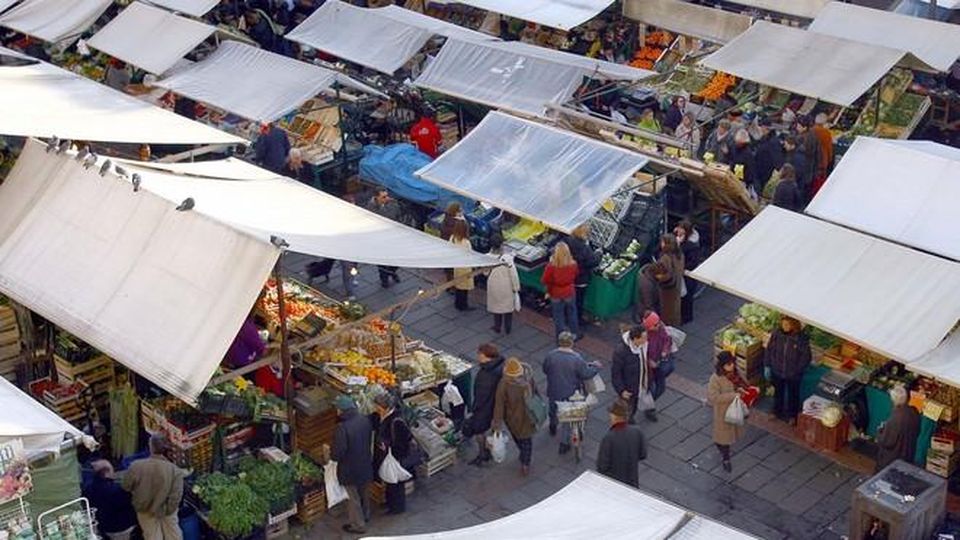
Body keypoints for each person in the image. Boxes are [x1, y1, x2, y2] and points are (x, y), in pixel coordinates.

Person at [542, 331, 600, 451]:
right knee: (568, 418)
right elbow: (585, 374)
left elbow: (545, 369)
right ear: (571, 343)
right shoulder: (576, 359)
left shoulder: (551, 355)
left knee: (553, 409)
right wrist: (596, 367)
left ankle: (553, 425)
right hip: (570, 393)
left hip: (554, 389)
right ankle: (564, 444)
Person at [121, 435, 185, 540]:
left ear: (150, 447)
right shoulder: (174, 470)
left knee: (152, 536)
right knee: (173, 534)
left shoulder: (136, 466)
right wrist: (169, 510)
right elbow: (176, 495)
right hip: (167, 509)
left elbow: (126, 486)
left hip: (144, 508)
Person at [331, 395, 373, 534]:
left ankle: (358, 525)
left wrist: (332, 456)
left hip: (349, 469)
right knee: (364, 493)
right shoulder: (364, 420)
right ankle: (366, 515)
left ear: (342, 410)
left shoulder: (342, 428)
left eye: (337, 408)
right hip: (365, 463)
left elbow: (338, 453)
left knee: (353, 498)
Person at [492, 358, 538, 475]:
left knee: (519, 439)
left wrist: (497, 425)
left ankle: (524, 458)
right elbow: (536, 395)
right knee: (527, 441)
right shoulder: (528, 380)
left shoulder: (503, 384)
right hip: (529, 416)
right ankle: (525, 462)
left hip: (513, 419)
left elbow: (499, 405)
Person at [372, 393, 414, 515]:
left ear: (384, 407)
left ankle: (397, 508)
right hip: (386, 456)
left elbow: (404, 440)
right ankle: (390, 502)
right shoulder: (382, 416)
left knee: (396, 483)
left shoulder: (397, 421)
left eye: (377, 407)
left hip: (396, 457)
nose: (376, 409)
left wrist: (391, 449)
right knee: (390, 481)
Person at [764, 315, 811, 424]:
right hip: (777, 370)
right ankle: (776, 411)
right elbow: (769, 349)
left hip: (793, 374)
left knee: (793, 395)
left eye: (787, 324)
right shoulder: (776, 334)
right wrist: (768, 365)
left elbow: (806, 357)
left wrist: (797, 370)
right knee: (778, 393)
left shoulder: (800, 339)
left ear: (793, 325)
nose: (784, 326)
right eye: (783, 324)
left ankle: (792, 416)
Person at [708, 352, 750, 473]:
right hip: (723, 413)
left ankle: (724, 449)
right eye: (728, 364)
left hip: (737, 409)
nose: (731, 366)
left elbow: (744, 383)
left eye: (732, 363)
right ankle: (726, 458)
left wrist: (746, 389)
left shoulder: (736, 372)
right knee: (723, 438)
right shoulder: (715, 379)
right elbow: (713, 398)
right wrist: (734, 395)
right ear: (722, 366)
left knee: (731, 434)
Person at [466, 344, 505, 466]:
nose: (478, 356)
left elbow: (481, 395)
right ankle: (487, 449)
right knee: (492, 428)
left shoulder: (486, 374)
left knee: (479, 430)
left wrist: (474, 408)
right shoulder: (500, 365)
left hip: (484, 408)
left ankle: (483, 453)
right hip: (496, 406)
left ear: (487, 357)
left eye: (480, 354)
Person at [596, 398, 647, 487]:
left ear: (614, 416)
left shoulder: (608, 438)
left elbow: (602, 467)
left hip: (615, 485)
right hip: (633, 482)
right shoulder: (637, 431)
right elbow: (643, 454)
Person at [86, 460, 137, 540]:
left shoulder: (88, 489)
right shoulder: (118, 490)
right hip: (122, 528)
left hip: (103, 528)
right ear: (107, 472)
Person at [612, 326, 653, 423]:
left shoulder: (644, 344)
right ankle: (625, 422)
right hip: (630, 388)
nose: (646, 339)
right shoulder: (621, 352)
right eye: (644, 337)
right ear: (635, 339)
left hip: (643, 383)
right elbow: (616, 373)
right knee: (628, 407)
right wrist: (621, 390)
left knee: (635, 405)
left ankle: (629, 419)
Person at [875, 385, 921, 472]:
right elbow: (918, 430)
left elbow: (887, 441)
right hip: (909, 452)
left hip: (894, 458)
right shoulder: (914, 412)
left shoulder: (895, 418)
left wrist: (880, 430)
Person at [541, 242, 579, 339]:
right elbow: (576, 274)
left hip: (556, 293)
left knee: (558, 316)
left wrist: (548, 291)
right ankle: (574, 334)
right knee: (572, 313)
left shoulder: (551, 267)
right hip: (569, 292)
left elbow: (544, 280)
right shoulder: (573, 264)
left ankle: (561, 337)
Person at [566, 224, 599, 331]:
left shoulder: (568, 241)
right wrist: (599, 254)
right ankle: (577, 321)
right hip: (581, 278)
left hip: (570, 276)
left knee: (571, 299)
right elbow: (592, 261)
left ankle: (569, 317)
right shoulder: (584, 248)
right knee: (578, 301)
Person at [365, 189, 401, 287]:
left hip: (392, 236)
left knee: (396, 260)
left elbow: (397, 216)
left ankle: (392, 273)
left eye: (387, 196)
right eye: (383, 197)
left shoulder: (392, 203)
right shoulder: (371, 208)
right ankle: (384, 280)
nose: (387, 198)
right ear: (376, 197)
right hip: (379, 239)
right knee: (382, 262)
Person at [486, 235, 520, 334]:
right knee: (508, 309)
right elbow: (513, 274)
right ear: (501, 245)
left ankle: (497, 327)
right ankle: (508, 329)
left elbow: (485, 272)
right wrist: (516, 287)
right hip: (506, 286)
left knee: (496, 307)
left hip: (493, 284)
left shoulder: (486, 257)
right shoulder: (508, 258)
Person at [641, 312, 674, 405]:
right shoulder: (642, 335)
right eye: (655, 325)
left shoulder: (660, 328)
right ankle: (647, 405)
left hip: (658, 362)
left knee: (660, 388)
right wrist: (648, 361)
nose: (658, 325)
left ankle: (648, 404)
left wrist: (665, 350)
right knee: (651, 388)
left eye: (658, 322)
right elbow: (639, 352)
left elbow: (667, 339)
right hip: (647, 368)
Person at [652, 234, 684, 327]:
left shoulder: (665, 258)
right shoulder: (680, 254)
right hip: (677, 284)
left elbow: (665, 275)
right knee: (675, 309)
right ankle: (675, 326)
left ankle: (668, 330)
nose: (661, 244)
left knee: (667, 311)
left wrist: (657, 275)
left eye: (663, 242)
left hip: (668, 290)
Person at [675, 220, 700, 324]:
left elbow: (693, 262)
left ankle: (686, 317)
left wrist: (681, 268)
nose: (678, 230)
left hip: (688, 275)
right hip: (682, 274)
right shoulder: (679, 240)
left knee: (687, 297)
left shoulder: (691, 246)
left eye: (681, 228)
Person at [449, 220, 475, 311]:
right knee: (465, 288)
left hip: (457, 266)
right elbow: (470, 254)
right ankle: (464, 305)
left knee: (459, 286)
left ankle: (458, 303)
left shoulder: (453, 238)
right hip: (465, 267)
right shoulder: (466, 242)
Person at [753, 118, 784, 191]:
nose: (760, 129)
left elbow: (777, 159)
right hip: (759, 168)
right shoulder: (765, 138)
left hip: (764, 171)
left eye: (761, 127)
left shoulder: (773, 142)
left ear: (765, 128)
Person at [796, 115, 821, 198]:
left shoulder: (803, 139)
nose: (797, 128)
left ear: (805, 127)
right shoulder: (813, 136)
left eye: (799, 126)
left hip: (803, 170)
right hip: (810, 170)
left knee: (801, 190)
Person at [782, 135, 810, 200]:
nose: (784, 146)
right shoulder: (793, 154)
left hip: (797, 186)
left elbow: (798, 173)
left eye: (786, 144)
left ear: (792, 145)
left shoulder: (797, 157)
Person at [730, 128, 757, 193]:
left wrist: (747, 181)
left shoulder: (748, 153)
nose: (737, 143)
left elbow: (750, 169)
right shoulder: (734, 147)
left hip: (742, 179)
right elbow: (731, 158)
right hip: (733, 174)